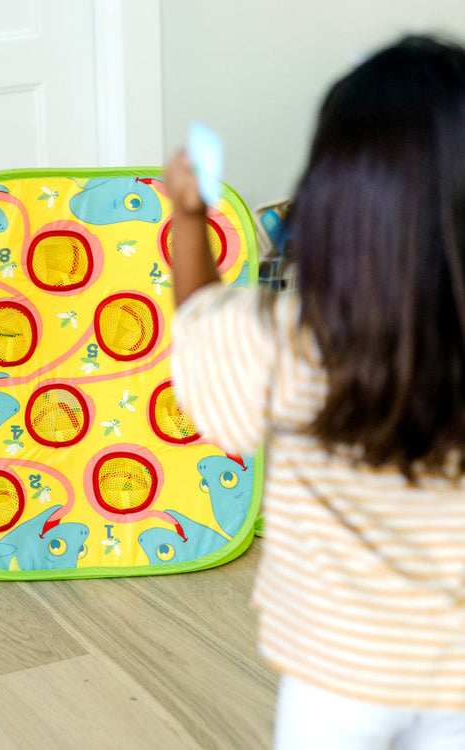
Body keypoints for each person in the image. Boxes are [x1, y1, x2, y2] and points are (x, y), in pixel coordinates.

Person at [166, 35, 465, 750]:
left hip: (335, 676)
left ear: (331, 202)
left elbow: (200, 321)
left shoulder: (286, 339)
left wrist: (186, 217)